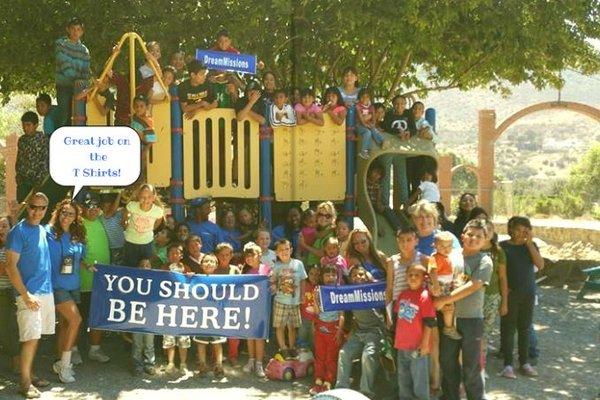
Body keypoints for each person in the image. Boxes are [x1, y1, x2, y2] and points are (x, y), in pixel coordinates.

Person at [434, 219, 493, 400]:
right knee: (447, 362)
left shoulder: (485, 260)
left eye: (479, 236)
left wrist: (444, 299)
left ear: (485, 240)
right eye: (470, 234)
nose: (474, 238)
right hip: (447, 318)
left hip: (471, 319)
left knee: (471, 365)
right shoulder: (451, 255)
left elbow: (474, 285)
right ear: (462, 236)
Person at [5, 193, 54, 398]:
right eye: (34, 207)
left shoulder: (42, 230)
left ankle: (30, 375)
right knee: (29, 339)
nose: (37, 211)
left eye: (42, 208)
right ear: (28, 206)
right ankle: (24, 384)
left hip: (45, 292)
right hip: (29, 294)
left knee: (35, 338)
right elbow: (10, 266)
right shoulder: (18, 231)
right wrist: (25, 295)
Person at [499, 216, 544, 379]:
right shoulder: (503, 247)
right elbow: (500, 273)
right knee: (508, 328)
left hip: (528, 293)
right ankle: (508, 364)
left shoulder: (530, 247)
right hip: (510, 294)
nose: (521, 233)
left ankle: (524, 362)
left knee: (525, 328)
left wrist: (530, 243)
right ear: (510, 229)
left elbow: (540, 265)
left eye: (525, 229)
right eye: (518, 229)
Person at [47, 199, 86, 383]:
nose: (66, 216)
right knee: (76, 319)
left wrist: (88, 266)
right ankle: (65, 365)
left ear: (76, 217)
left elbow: (80, 258)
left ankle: (58, 361)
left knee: (65, 324)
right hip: (57, 285)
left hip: (74, 285)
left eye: (71, 213)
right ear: (58, 213)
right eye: (64, 212)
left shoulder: (77, 234)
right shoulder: (49, 232)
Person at [336, 265, 386, 398]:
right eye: (355, 275)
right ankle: (341, 389)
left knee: (367, 356)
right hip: (358, 332)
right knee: (343, 354)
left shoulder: (375, 290)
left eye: (361, 274)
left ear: (366, 276)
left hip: (375, 332)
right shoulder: (348, 292)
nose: (358, 277)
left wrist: (371, 278)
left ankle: (366, 392)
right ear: (350, 279)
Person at [394, 264, 437, 400]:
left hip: (418, 347)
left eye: (416, 275)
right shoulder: (403, 295)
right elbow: (398, 317)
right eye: (410, 275)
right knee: (403, 379)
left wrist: (424, 344)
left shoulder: (424, 296)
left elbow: (430, 321)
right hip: (401, 345)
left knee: (419, 381)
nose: (413, 278)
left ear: (424, 278)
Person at [79, 194, 111, 364]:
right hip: (82, 280)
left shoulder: (101, 220)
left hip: (101, 280)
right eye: (89, 206)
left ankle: (95, 349)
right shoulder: (78, 224)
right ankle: (73, 349)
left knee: (97, 315)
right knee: (78, 318)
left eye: (96, 206)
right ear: (82, 207)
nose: (93, 209)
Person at [309, 265, 344, 395]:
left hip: (334, 328)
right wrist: (315, 299)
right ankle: (318, 380)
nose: (330, 278)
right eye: (327, 275)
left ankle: (328, 382)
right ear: (322, 277)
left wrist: (340, 331)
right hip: (320, 327)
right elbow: (317, 312)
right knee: (320, 356)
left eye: (333, 275)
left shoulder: (340, 291)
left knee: (331, 357)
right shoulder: (319, 290)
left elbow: (342, 314)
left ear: (337, 276)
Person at [271, 239, 307, 359]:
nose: (284, 252)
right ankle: (283, 348)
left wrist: (302, 295)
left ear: (291, 250)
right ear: (276, 253)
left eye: (286, 249)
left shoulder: (298, 264)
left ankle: (292, 347)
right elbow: (273, 281)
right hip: (280, 301)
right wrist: (274, 286)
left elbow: (303, 279)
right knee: (279, 326)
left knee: (292, 326)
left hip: (294, 301)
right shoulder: (276, 266)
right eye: (281, 250)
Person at [193, 254, 227, 380]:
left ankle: (218, 366)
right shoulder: (196, 278)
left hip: (216, 316)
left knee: (217, 343)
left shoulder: (222, 280)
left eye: (212, 261)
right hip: (201, 315)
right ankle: (202, 366)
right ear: (201, 264)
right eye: (206, 261)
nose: (208, 263)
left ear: (216, 265)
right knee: (201, 343)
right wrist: (188, 278)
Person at [481, 219, 508, 367]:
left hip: (492, 297)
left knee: (485, 334)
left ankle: (481, 366)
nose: (485, 234)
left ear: (493, 233)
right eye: (482, 231)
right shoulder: (472, 250)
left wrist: (504, 302)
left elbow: (503, 277)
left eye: (488, 230)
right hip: (473, 297)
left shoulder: (498, 252)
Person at [161, 243, 191, 375]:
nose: (174, 255)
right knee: (169, 337)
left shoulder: (187, 269)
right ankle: (171, 362)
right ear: (167, 255)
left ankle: (183, 363)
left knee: (183, 337)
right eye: (171, 253)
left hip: (183, 308)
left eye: (177, 253)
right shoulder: (163, 268)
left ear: (181, 255)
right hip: (168, 308)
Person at [240, 242, 269, 377]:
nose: (249, 258)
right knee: (250, 335)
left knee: (259, 336)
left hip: (261, 308)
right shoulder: (245, 271)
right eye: (247, 256)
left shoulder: (266, 269)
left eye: (252, 255)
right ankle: (251, 360)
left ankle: (259, 363)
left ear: (259, 255)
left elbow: (272, 284)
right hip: (248, 307)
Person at [55, 17, 90, 127]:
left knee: (79, 117)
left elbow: (85, 70)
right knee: (64, 116)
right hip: (64, 86)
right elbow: (64, 64)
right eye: (73, 29)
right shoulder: (61, 44)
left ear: (82, 32)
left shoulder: (84, 50)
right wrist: (76, 77)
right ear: (68, 30)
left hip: (79, 88)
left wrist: (82, 80)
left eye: (78, 29)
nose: (76, 32)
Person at [428, 231, 462, 340]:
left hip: (446, 283)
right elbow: (432, 271)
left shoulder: (446, 256)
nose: (446, 249)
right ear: (435, 246)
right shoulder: (435, 257)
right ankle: (448, 327)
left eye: (449, 246)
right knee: (448, 307)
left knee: (448, 306)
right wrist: (436, 285)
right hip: (440, 284)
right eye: (442, 246)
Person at [122, 184, 165, 269]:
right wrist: (127, 225)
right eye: (143, 197)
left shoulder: (157, 211)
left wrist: (149, 229)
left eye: (149, 197)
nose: (146, 200)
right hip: (131, 243)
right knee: (130, 269)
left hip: (147, 244)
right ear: (138, 196)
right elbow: (124, 219)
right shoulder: (132, 206)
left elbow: (158, 222)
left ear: (153, 197)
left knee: (146, 268)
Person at [385, 226, 429, 305]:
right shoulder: (392, 261)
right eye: (402, 240)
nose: (405, 243)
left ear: (416, 241)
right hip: (398, 305)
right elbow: (389, 288)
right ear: (397, 241)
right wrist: (389, 311)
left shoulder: (423, 259)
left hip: (419, 304)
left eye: (409, 240)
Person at [381, 95, 411, 209]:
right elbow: (386, 126)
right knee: (385, 176)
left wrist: (409, 133)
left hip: (400, 150)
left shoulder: (408, 115)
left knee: (402, 176)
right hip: (388, 149)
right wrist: (398, 132)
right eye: (397, 104)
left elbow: (412, 128)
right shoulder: (389, 114)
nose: (399, 106)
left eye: (402, 104)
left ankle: (405, 202)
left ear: (405, 104)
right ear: (393, 105)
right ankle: (385, 203)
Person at [0, 215, 19, 377]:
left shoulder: (15, 248)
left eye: (4, 226)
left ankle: (16, 364)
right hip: (3, 294)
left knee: (12, 329)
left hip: (11, 294)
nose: (1, 230)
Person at [16, 112, 49, 203]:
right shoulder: (22, 140)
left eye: (28, 125)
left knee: (36, 207)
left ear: (36, 125)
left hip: (37, 182)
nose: (25, 128)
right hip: (23, 181)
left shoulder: (42, 140)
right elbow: (19, 159)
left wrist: (38, 183)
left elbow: (45, 161)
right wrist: (18, 175)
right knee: (22, 207)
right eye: (23, 125)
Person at [366, 162, 406, 235]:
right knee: (371, 215)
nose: (376, 175)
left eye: (379, 174)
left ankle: (398, 228)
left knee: (388, 210)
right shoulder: (365, 182)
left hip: (375, 204)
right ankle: (377, 229)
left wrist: (379, 204)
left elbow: (378, 198)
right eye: (375, 172)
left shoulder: (377, 185)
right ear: (370, 171)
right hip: (366, 204)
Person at [303, 202, 337, 266]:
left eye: (327, 216)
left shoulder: (331, 234)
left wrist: (304, 245)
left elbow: (322, 253)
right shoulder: (317, 229)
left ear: (332, 218)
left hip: (320, 269)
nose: (323, 218)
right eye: (320, 215)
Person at [130, 94, 156, 180]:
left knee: (141, 169)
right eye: (136, 106)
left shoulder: (147, 121)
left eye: (141, 106)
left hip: (142, 148)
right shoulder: (134, 118)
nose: (139, 108)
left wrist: (145, 150)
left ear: (146, 107)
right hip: (134, 148)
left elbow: (151, 139)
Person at [356, 88, 385, 159]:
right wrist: (365, 124)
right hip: (359, 125)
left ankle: (382, 141)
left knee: (373, 129)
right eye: (362, 97)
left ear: (369, 98)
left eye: (367, 97)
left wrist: (373, 124)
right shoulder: (358, 106)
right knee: (368, 132)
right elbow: (360, 117)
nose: (364, 99)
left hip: (368, 124)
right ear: (359, 98)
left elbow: (374, 117)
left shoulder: (371, 107)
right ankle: (364, 151)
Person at [99, 192, 125, 265]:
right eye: (105, 206)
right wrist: (119, 194)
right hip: (113, 248)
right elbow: (112, 211)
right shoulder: (102, 217)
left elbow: (128, 208)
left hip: (124, 246)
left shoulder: (119, 213)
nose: (108, 208)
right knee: (115, 267)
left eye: (110, 205)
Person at [298, 264, 319, 350]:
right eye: (311, 274)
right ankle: (301, 355)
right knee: (302, 337)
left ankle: (313, 356)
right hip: (304, 317)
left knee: (313, 339)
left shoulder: (321, 287)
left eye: (317, 274)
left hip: (317, 319)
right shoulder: (303, 285)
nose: (314, 277)